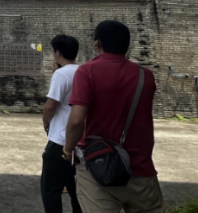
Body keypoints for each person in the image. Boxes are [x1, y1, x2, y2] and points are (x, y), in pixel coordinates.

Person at [64, 20, 165, 213]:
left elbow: (76, 121)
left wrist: (68, 149)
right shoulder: (146, 75)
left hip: (97, 166)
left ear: (97, 44)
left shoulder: (87, 71)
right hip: (140, 169)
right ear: (127, 46)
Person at [41, 35, 82, 213]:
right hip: (79, 140)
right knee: (77, 190)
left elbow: (50, 106)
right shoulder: (83, 71)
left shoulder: (61, 74)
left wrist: (46, 122)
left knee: (50, 189)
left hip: (60, 140)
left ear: (58, 53)